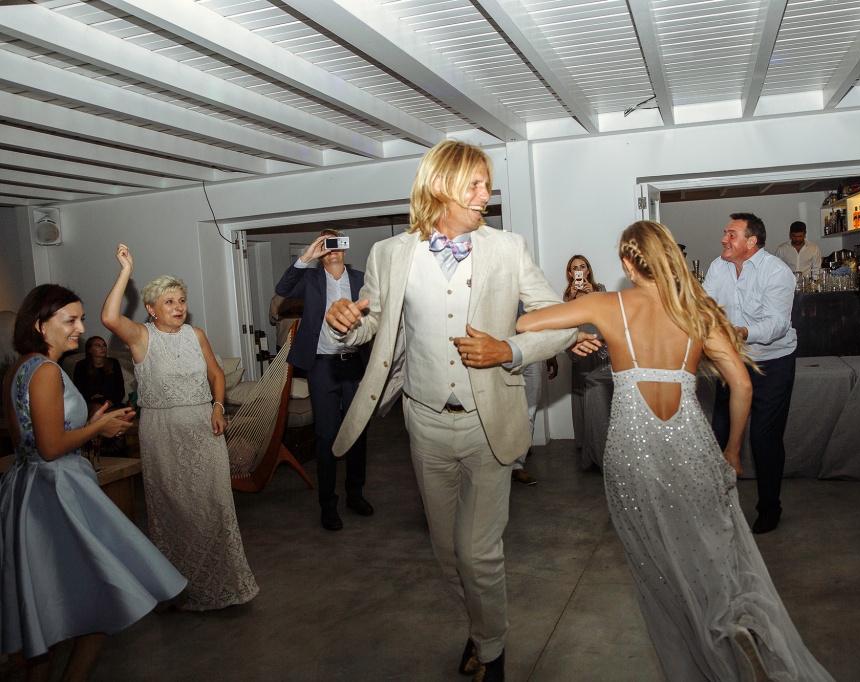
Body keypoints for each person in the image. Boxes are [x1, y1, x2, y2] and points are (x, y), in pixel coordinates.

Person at [516, 221, 834, 682]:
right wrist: (732, 450)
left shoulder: (607, 305)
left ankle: (691, 654)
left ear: (628, 264)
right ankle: (726, 623)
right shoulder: (698, 310)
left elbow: (526, 323)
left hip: (632, 450)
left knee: (656, 564)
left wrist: (573, 333)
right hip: (692, 445)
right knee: (709, 549)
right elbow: (742, 385)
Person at [324, 139, 579, 682]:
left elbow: (561, 321)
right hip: (424, 424)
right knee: (447, 553)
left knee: (477, 552)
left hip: (491, 424)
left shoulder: (507, 248)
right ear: (440, 185)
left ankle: (493, 649)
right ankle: (481, 628)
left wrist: (507, 350)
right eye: (475, 185)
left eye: (488, 185)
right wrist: (344, 322)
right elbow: (373, 323)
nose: (486, 195)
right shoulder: (389, 254)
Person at [1, 284, 186, 682]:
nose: (81, 329)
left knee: (48, 612)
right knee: (105, 593)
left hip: (26, 487)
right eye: (70, 320)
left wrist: (89, 425)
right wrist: (98, 428)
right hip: (56, 490)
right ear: (40, 325)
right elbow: (51, 447)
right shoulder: (47, 371)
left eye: (81, 319)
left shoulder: (19, 368)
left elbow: (32, 439)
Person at [102, 244, 259, 610]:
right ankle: (179, 591)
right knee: (175, 513)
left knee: (215, 507)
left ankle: (226, 585)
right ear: (151, 309)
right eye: (169, 301)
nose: (178, 307)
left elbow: (216, 374)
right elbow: (109, 318)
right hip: (163, 434)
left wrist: (218, 406)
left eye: (182, 300)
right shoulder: (141, 337)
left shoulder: (196, 335)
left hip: (205, 430)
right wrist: (125, 272)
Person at [703, 212, 797, 534]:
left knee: (764, 437)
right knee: (720, 431)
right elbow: (706, 307)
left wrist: (743, 332)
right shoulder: (718, 267)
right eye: (725, 233)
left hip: (773, 362)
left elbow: (778, 324)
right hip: (732, 361)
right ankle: (719, 507)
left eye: (731, 234)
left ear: (751, 241)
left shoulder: (776, 271)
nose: (723, 239)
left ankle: (770, 508)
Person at [275, 230, 372, 531]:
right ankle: (328, 504)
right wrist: (307, 256)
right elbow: (283, 288)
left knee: (357, 432)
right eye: (326, 245)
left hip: (355, 364)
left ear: (345, 249)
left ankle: (355, 494)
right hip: (322, 367)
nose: (333, 250)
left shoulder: (361, 279)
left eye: (337, 244)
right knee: (326, 436)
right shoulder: (310, 279)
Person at [563, 255, 612, 471]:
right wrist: (573, 298)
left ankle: (602, 443)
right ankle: (585, 444)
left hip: (599, 343)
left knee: (599, 392)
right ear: (570, 273)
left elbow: (608, 315)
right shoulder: (568, 295)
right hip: (579, 345)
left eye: (582, 266)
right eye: (575, 268)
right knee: (582, 391)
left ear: (588, 270)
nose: (579, 271)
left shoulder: (600, 289)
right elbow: (567, 321)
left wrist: (593, 294)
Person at [73, 336, 128, 456]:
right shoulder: (81, 366)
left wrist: (110, 401)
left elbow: (120, 390)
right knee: (97, 410)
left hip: (111, 402)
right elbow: (78, 390)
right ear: (89, 350)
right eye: (98, 346)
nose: (102, 348)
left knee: (109, 413)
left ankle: (116, 452)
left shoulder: (113, 363)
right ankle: (97, 450)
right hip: (91, 403)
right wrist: (91, 396)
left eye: (104, 345)